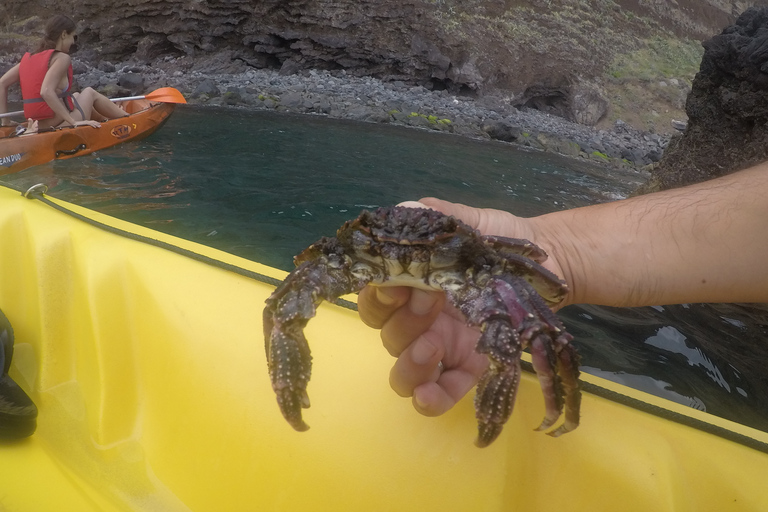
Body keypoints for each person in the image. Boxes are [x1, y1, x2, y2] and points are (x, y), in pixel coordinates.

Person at [357, 161, 768, 420]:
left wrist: (552, 254)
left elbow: (525, 257)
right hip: (464, 277)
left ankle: (559, 407)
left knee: (545, 332)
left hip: (476, 271)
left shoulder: (489, 255)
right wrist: (558, 249)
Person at [0, 15, 127, 131]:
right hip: (59, 125)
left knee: (76, 95)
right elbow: (46, 91)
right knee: (89, 92)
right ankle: (127, 117)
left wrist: (5, 120)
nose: (73, 42)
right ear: (64, 34)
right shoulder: (62, 58)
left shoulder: (29, 59)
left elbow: (2, 83)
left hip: (38, 125)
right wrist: (73, 122)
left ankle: (106, 120)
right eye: (73, 36)